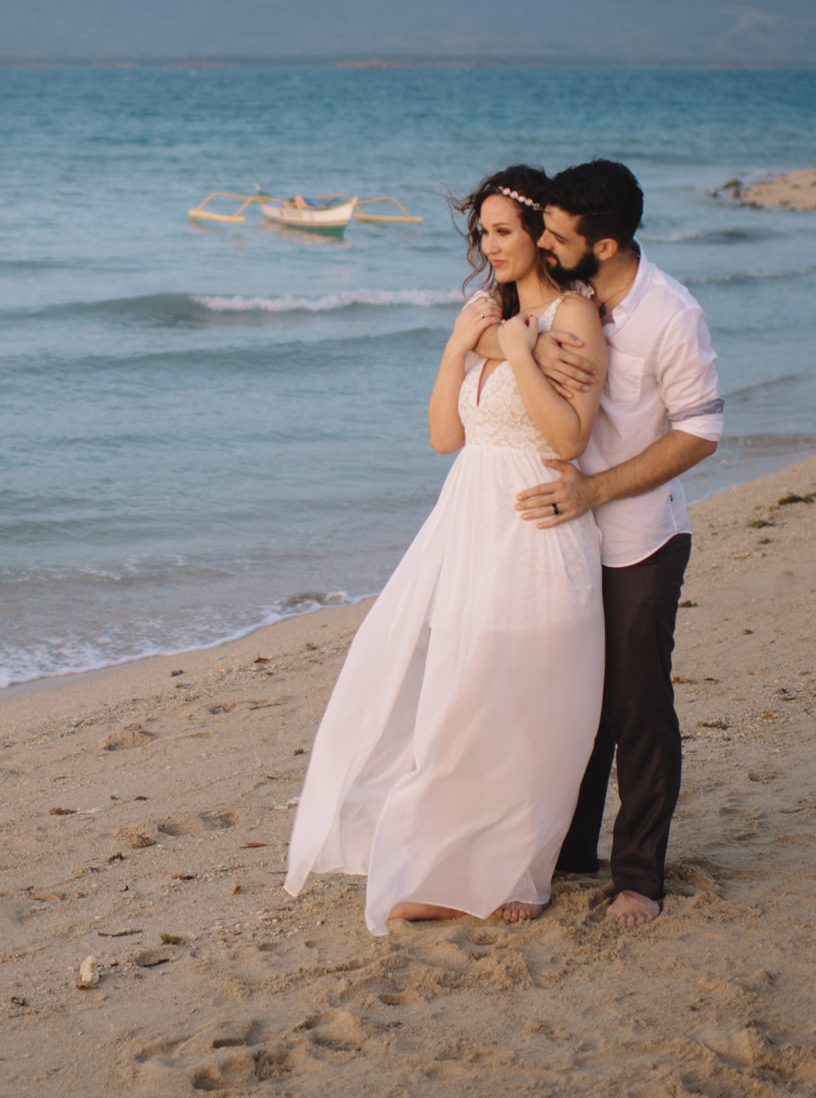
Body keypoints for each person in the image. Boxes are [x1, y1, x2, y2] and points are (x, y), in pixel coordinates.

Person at [283, 166, 610, 935]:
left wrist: (521, 352)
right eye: (483, 233)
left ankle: (521, 874)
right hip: (466, 528)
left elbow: (568, 437)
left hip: (535, 524)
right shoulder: (483, 314)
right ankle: (452, 863)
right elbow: (443, 436)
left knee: (525, 700)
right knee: (459, 700)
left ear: (540, 235)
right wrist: (457, 348)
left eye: (504, 231)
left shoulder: (574, 316)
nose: (490, 246)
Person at [510, 159, 722, 930]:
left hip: (638, 539)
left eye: (558, 234)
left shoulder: (671, 314)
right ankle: (565, 855)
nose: (542, 240)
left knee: (637, 707)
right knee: (567, 700)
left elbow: (703, 429)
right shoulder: (566, 302)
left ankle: (638, 878)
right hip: (559, 540)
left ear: (602, 244)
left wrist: (597, 490)